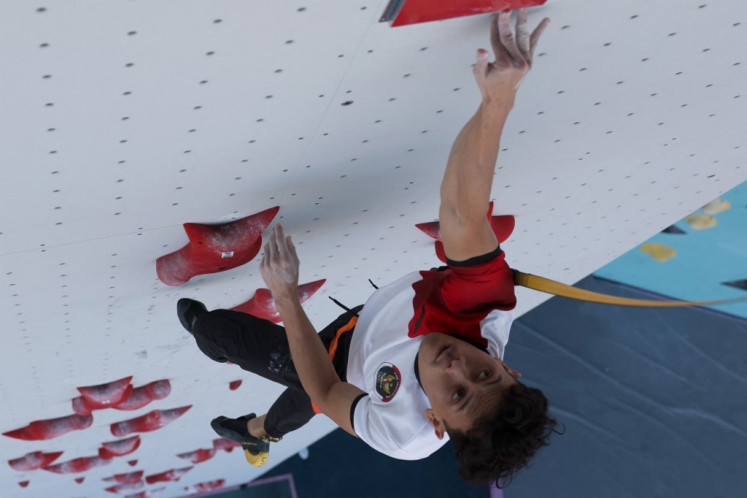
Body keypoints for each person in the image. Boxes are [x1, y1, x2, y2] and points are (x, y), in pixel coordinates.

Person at [177, 9, 558, 486]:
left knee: (230, 341)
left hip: (343, 372)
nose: (456, 364)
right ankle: (258, 431)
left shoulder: (403, 434)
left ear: (435, 421)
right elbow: (461, 213)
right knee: (299, 397)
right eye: (484, 375)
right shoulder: (483, 313)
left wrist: (286, 296)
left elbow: (326, 386)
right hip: (366, 325)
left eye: (455, 395)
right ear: (509, 369)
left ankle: (253, 427)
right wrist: (498, 99)